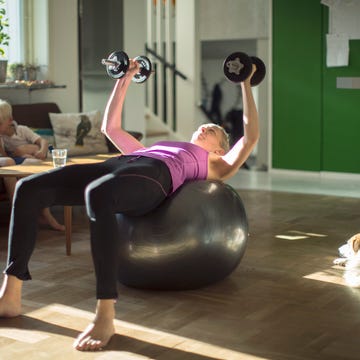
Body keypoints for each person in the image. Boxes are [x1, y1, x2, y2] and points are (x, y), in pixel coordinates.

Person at [0, 59, 259, 351]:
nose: (203, 126)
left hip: (153, 176)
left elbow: (250, 137)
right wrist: (125, 78)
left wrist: (245, 83)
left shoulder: (215, 165)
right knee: (27, 188)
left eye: (210, 129)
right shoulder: (159, 146)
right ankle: (11, 293)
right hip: (123, 163)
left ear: (219, 149)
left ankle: (105, 314)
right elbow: (110, 127)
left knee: (97, 195)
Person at [0, 100, 65, 231]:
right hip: (18, 160)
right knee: (24, 159)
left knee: (32, 163)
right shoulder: (1, 137)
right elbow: (5, 157)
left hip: (33, 156)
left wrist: (38, 151)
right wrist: (21, 154)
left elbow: (43, 142)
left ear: (10, 120)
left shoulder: (22, 130)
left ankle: (44, 215)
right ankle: (40, 216)